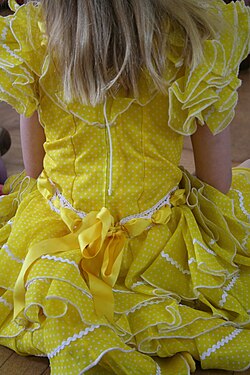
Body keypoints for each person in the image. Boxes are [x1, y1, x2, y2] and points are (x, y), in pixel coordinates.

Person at [0, 0, 249, 374]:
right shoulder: (196, 40)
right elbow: (217, 181)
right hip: (157, 248)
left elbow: (35, 170)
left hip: (58, 239)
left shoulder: (35, 36)